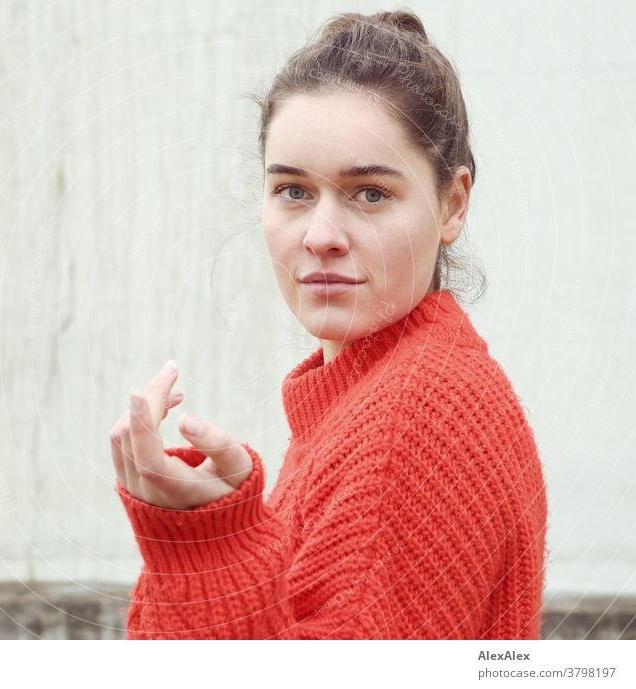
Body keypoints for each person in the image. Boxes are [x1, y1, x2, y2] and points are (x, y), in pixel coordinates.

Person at [109, 9, 548, 639]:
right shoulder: (367, 397)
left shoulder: (417, 412)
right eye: (292, 191)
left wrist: (209, 543)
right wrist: (194, 533)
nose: (320, 236)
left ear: (452, 204)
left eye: (370, 193)